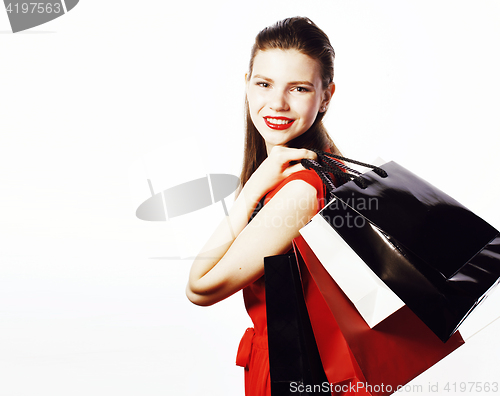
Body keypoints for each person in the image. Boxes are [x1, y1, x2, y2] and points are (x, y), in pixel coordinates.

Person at [186, 16, 341, 395]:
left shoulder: (301, 190)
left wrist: (253, 188)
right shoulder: (322, 167)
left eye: (299, 88)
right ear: (247, 86)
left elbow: (200, 287)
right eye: (264, 84)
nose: (277, 103)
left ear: (326, 96)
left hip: (292, 376)